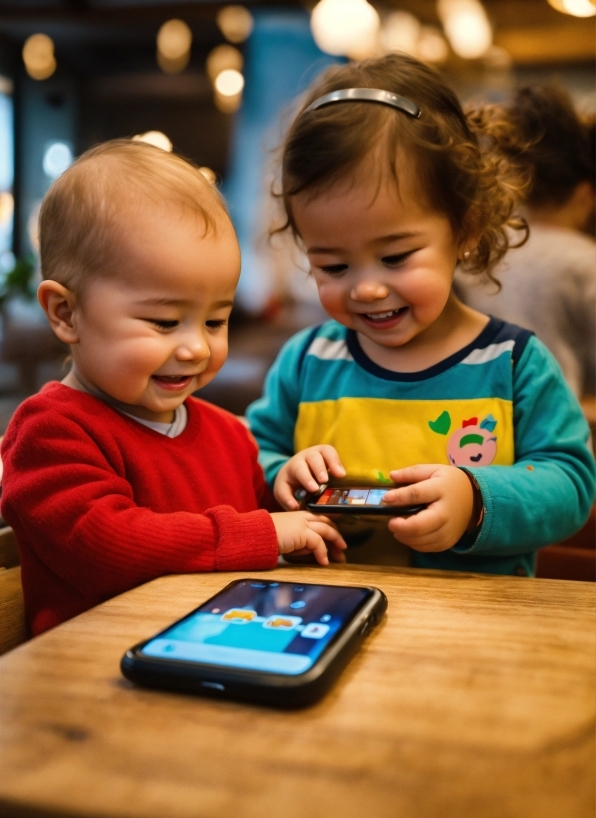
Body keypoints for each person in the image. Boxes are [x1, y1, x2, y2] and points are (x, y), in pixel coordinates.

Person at [247, 54, 595, 576]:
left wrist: (476, 499)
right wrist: (280, 471)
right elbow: (250, 452)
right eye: (333, 264)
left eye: (395, 257)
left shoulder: (515, 363)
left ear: (466, 228)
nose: (365, 287)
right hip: (327, 609)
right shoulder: (307, 361)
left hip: (472, 626)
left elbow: (570, 481)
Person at [0, 140, 346, 636]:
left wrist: (285, 489)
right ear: (65, 313)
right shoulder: (51, 432)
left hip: (220, 645)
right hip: (97, 668)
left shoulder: (229, 434)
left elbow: (262, 531)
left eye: (215, 321)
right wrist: (262, 531)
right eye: (164, 322)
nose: (196, 349)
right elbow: (109, 546)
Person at [457, 85, 595, 399]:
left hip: (471, 422)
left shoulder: (477, 247)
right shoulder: (584, 260)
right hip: (551, 426)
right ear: (586, 194)